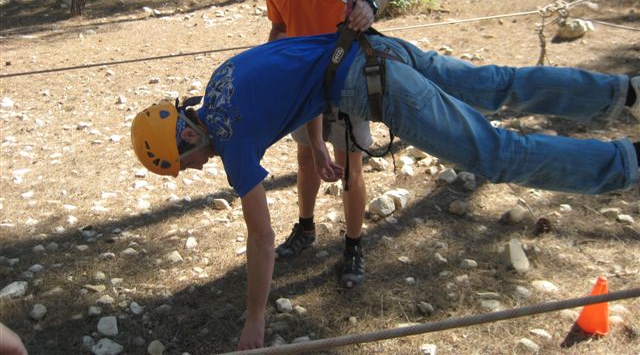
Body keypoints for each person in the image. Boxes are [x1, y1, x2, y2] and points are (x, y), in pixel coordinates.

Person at [131, 30, 639, 349]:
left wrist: (255, 319)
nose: (195, 168)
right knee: (497, 84)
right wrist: (318, 144)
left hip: (376, 87)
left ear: (188, 135)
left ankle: (628, 163)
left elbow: (261, 239)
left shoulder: (230, 137)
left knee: (496, 154)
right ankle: (625, 93)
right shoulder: (221, 79)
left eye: (185, 162)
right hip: (373, 46)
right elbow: (298, 72)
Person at [243, 0, 389, 287]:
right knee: (306, 157)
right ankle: (306, 227)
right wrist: (266, 69)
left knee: (349, 165)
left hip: (345, 76)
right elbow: (280, 26)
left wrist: (368, 6)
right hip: (301, 82)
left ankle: (353, 245)